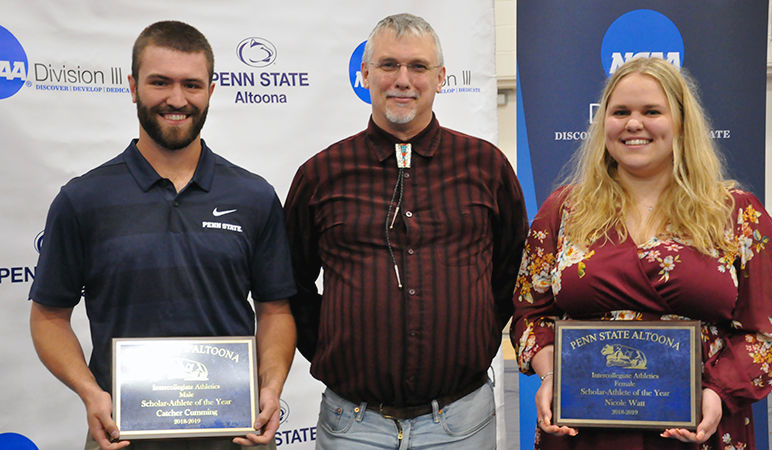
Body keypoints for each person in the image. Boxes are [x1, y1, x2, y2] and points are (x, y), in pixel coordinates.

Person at [28, 21, 297, 450]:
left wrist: (270, 387)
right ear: (133, 87)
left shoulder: (253, 196)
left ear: (211, 90)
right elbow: (48, 318)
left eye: (191, 84)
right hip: (121, 436)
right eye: (160, 82)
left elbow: (275, 311)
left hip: (234, 435)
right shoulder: (83, 199)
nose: (177, 99)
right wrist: (90, 392)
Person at [512, 56, 772, 449]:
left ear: (680, 122)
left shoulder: (737, 214)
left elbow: (764, 332)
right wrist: (553, 374)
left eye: (651, 111)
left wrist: (716, 393)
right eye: (620, 112)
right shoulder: (563, 210)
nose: (633, 123)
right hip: (582, 432)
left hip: (698, 428)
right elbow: (530, 313)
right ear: (603, 122)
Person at [284, 13, 528, 449]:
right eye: (388, 65)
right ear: (365, 74)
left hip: (461, 421)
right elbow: (292, 282)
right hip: (353, 425)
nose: (403, 79)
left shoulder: (485, 166)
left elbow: (513, 268)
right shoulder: (321, 174)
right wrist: (332, 347)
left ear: (440, 77)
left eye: (418, 67)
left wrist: (479, 335)